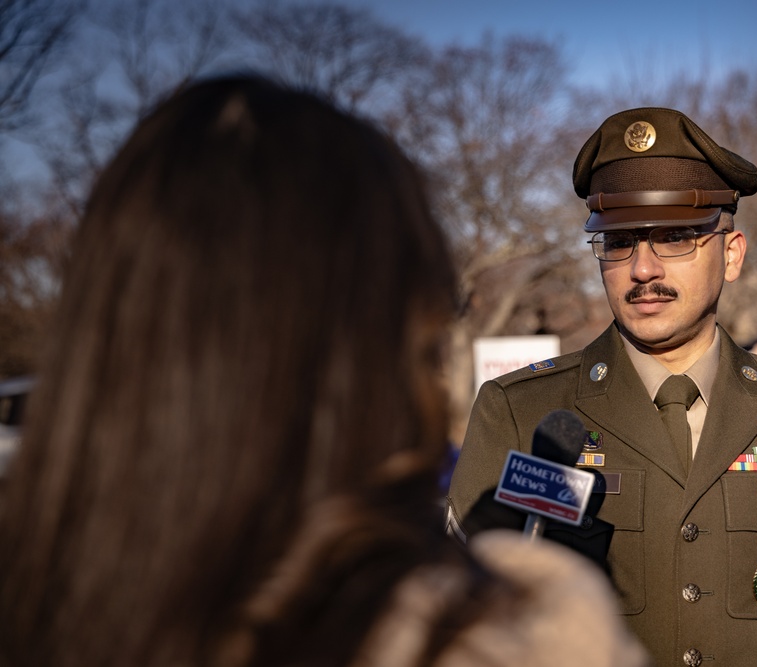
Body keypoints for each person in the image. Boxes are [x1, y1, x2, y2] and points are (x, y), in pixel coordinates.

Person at [0, 75, 650, 667]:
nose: (644, 268)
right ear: (375, 352)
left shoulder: (35, 602)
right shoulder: (524, 631)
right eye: (426, 330)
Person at [447, 108, 757, 665]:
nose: (643, 269)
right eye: (619, 241)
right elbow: (463, 628)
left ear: (732, 253)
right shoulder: (521, 413)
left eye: (676, 238)